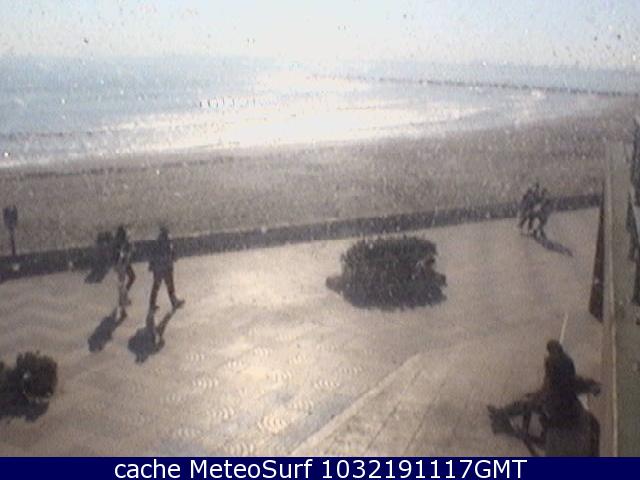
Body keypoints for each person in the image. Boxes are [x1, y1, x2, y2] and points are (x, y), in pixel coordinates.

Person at [488, 340, 599, 439]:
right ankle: (504, 415)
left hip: (554, 410)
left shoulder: (552, 384)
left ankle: (502, 415)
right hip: (566, 407)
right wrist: (592, 386)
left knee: (525, 404)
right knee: (530, 402)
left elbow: (544, 394)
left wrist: (535, 397)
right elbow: (580, 383)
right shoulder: (569, 374)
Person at [148, 227, 184, 312]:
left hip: (158, 268)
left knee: (156, 286)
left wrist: (151, 265)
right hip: (166, 267)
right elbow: (172, 254)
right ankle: (174, 302)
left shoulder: (157, 243)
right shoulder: (168, 242)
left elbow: (153, 254)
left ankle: (152, 304)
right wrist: (174, 257)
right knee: (170, 285)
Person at [112, 225, 135, 293]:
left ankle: (124, 292)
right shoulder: (123, 246)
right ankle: (124, 292)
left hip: (122, 262)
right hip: (122, 262)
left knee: (123, 278)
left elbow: (122, 253)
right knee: (125, 278)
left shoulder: (121, 246)